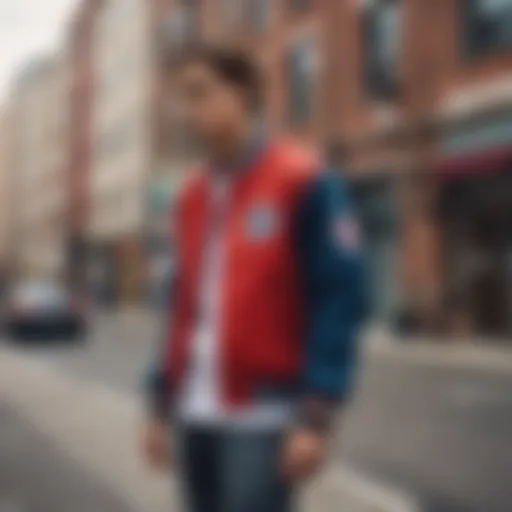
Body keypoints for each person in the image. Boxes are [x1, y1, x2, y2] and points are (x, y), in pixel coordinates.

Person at [141, 45, 367, 512]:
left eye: (200, 94)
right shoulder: (190, 197)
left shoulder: (302, 180)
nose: (188, 111)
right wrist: (160, 407)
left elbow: (338, 298)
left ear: (241, 94)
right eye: (182, 98)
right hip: (195, 415)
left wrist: (315, 414)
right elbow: (182, 308)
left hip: (264, 416)